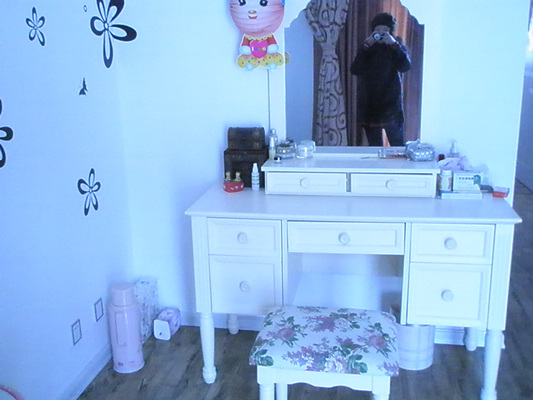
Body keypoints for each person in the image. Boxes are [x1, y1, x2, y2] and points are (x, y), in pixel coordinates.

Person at [351, 12, 411, 146]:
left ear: (391, 32)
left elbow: (405, 67)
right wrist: (365, 47)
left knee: (397, 145)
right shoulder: (368, 48)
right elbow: (355, 70)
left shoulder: (397, 46)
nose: (381, 33)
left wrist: (394, 45)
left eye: (385, 30)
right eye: (377, 30)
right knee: (374, 148)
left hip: (392, 105)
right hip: (370, 106)